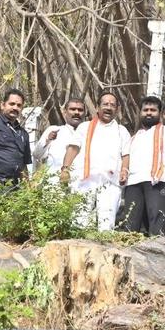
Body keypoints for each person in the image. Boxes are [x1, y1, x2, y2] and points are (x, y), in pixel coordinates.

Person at [60, 91, 130, 230]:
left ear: (117, 109)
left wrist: (124, 170)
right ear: (97, 107)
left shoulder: (121, 131)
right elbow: (73, 148)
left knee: (106, 224)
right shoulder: (84, 127)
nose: (108, 107)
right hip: (84, 181)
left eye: (112, 105)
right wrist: (65, 169)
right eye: (105, 104)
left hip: (110, 182)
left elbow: (125, 155)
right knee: (79, 222)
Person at [121, 96, 165, 236]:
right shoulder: (134, 137)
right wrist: (123, 172)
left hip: (157, 181)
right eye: (145, 110)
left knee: (156, 223)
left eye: (153, 110)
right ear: (140, 113)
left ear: (160, 114)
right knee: (130, 225)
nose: (149, 113)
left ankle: (157, 255)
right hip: (133, 183)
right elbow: (126, 158)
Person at [32, 98, 86, 174]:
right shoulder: (54, 130)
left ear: (84, 113)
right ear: (65, 112)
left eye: (80, 110)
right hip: (55, 183)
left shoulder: (89, 134)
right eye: (73, 109)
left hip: (81, 182)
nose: (76, 112)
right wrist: (48, 140)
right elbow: (37, 155)